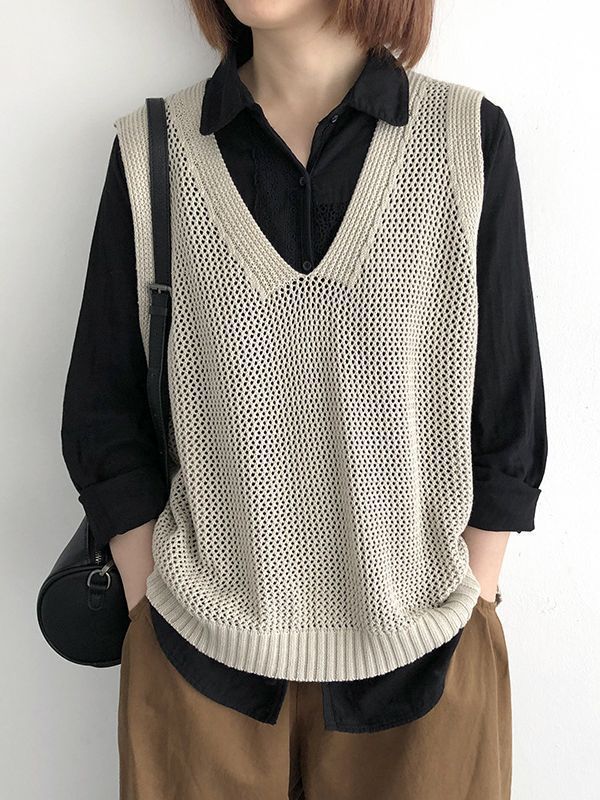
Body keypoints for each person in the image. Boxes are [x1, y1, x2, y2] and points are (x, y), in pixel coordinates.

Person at [60, 1, 548, 798]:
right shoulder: (155, 150)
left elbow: (508, 407)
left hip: (428, 662)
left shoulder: (466, 139)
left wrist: (476, 593)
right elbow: (102, 406)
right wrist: (152, 601)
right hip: (196, 661)